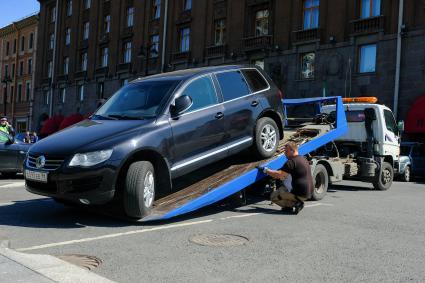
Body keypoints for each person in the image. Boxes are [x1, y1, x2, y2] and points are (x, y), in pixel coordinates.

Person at [258, 141, 314, 214]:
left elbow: (279, 175)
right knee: (282, 189)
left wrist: (266, 170)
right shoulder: (303, 159)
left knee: (273, 197)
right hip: (309, 192)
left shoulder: (291, 162)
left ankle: (295, 204)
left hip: (299, 193)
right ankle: (289, 206)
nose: (285, 153)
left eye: (286, 151)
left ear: (292, 150)